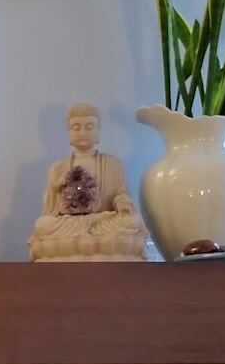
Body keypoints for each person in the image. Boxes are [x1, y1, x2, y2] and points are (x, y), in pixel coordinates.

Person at [28, 103, 150, 261]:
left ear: (98, 130)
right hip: (70, 223)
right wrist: (56, 186)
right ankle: (89, 243)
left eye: (89, 127)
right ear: (69, 131)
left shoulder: (112, 164)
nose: (83, 133)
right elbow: (50, 209)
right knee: (43, 225)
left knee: (131, 221)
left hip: (102, 221)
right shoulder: (58, 168)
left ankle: (85, 242)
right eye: (76, 128)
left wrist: (123, 203)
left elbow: (120, 194)